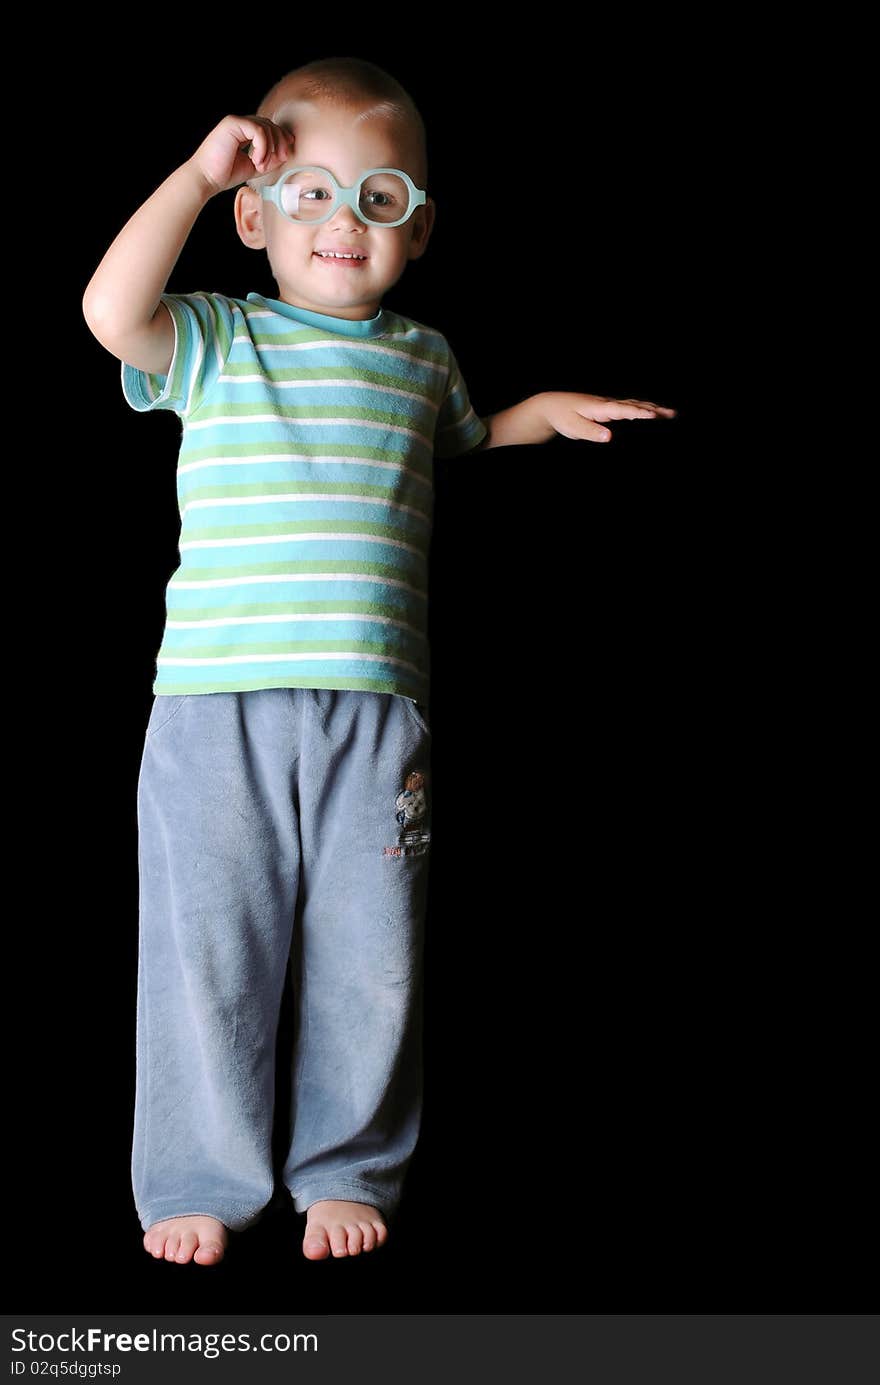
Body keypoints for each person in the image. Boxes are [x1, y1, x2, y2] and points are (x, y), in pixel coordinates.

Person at [82, 55, 676, 1268]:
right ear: (255, 212)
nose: (344, 222)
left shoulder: (422, 358)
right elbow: (107, 312)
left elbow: (451, 438)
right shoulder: (216, 338)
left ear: (418, 228)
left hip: (375, 715)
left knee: (370, 948)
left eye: (380, 196)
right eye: (309, 193)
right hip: (215, 707)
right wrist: (195, 176)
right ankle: (196, 1172)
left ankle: (347, 1164)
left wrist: (535, 412)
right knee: (210, 948)